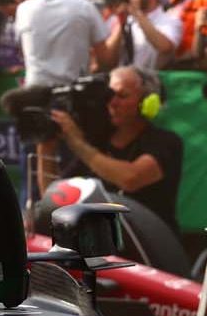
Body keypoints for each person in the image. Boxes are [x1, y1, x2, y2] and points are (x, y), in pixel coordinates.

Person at [44, 66, 182, 234]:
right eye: (109, 96)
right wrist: (45, 149)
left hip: (151, 244)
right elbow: (54, 198)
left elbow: (131, 179)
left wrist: (78, 144)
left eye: (122, 96)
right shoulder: (97, 144)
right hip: (103, 244)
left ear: (148, 102)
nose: (112, 103)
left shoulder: (165, 142)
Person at [11, 0, 108, 89]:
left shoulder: (23, 9)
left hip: (35, 92)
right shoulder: (84, 6)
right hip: (74, 92)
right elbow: (104, 57)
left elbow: (21, 49)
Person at [99, 0, 180, 71]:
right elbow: (107, 62)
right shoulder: (123, 20)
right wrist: (122, 23)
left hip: (150, 83)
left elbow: (164, 47)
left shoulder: (170, 21)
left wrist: (137, 13)